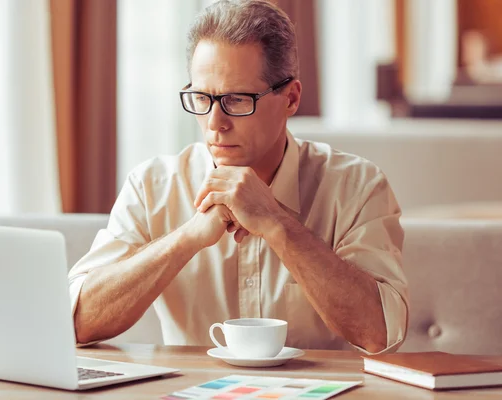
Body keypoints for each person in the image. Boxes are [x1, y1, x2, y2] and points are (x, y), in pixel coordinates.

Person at [68, 0, 408, 355]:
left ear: (290, 98)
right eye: (202, 98)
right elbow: (79, 323)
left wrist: (277, 223)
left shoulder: (357, 187)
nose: (215, 122)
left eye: (236, 99)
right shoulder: (152, 186)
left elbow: (379, 335)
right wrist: (188, 238)